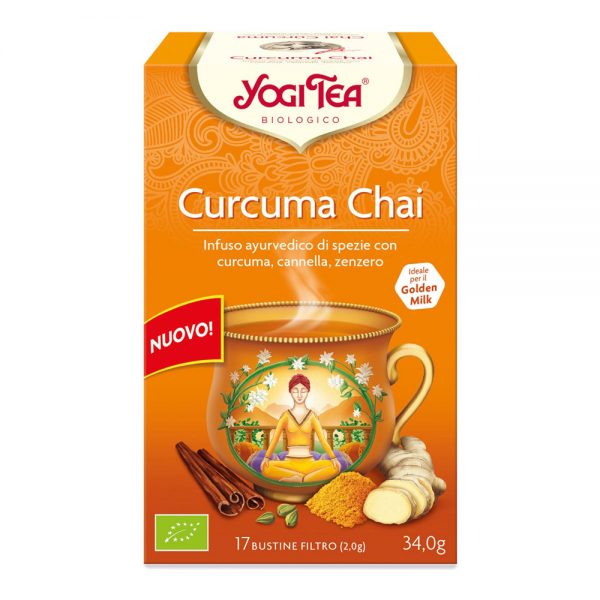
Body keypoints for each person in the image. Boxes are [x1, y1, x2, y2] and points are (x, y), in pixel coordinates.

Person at [261, 374, 341, 482]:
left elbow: (323, 440)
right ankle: (306, 478)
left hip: (309, 463)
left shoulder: (312, 416)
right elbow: (274, 440)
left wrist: (333, 458)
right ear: (290, 392)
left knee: (335, 467)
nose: (299, 395)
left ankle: (300, 479)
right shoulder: (285, 416)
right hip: (289, 463)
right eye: (295, 391)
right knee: (266, 468)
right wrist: (266, 457)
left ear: (308, 392)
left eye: (303, 391)